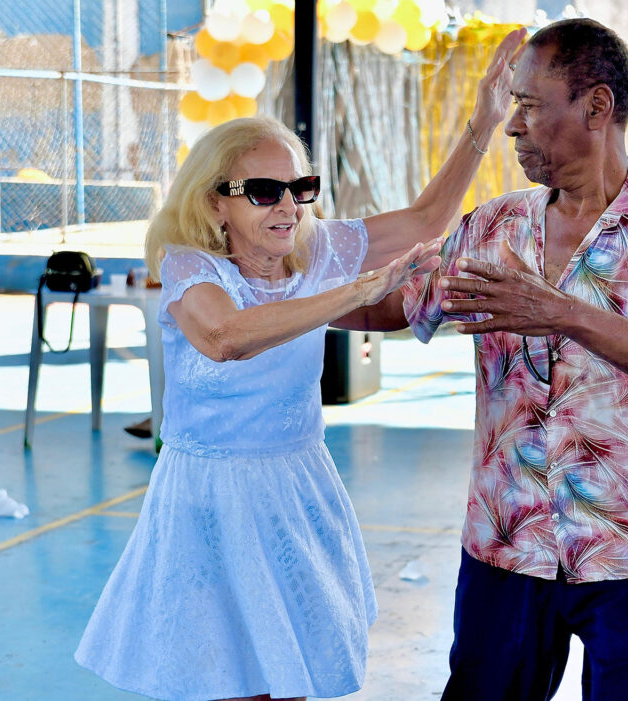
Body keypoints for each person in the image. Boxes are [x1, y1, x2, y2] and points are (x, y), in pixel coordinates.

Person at [74, 28, 525, 701]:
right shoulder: (189, 265)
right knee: (229, 679)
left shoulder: (316, 251)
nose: (288, 205)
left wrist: (484, 121)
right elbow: (226, 337)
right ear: (214, 200)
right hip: (211, 497)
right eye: (264, 190)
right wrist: (352, 291)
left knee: (290, 675)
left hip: (296, 485)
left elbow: (430, 216)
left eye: (298, 187)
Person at [342, 18, 628, 700]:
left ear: (596, 106)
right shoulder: (493, 228)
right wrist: (270, 290)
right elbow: (387, 304)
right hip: (507, 544)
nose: (512, 126)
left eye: (529, 106)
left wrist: (563, 312)